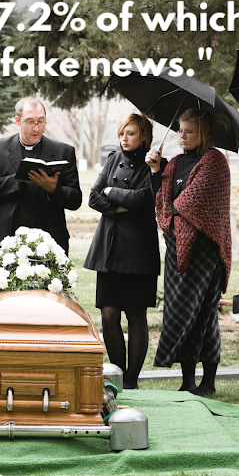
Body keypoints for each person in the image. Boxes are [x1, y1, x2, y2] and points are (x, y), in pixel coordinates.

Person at [146, 108, 232, 396]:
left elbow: (192, 203)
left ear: (202, 133)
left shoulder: (214, 161)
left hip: (204, 252)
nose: (182, 136)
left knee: (203, 314)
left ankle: (208, 381)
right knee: (180, 311)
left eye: (188, 132)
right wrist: (156, 170)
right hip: (175, 250)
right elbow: (161, 198)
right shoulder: (175, 163)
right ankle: (187, 381)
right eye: (180, 131)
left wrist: (169, 210)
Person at [84, 114, 160, 389]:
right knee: (108, 315)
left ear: (144, 136)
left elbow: (144, 198)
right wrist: (120, 206)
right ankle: (118, 377)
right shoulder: (113, 158)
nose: (124, 138)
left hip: (138, 249)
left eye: (131, 133)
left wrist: (110, 191)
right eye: (122, 133)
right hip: (109, 246)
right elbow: (93, 197)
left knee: (136, 314)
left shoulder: (154, 165)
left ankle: (132, 381)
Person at [0, 96, 82, 259]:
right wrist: (17, 179)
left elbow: (75, 200)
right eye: (29, 122)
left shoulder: (63, 151)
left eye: (41, 121)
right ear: (18, 120)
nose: (36, 128)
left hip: (50, 241)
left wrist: (54, 189)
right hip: (4, 239)